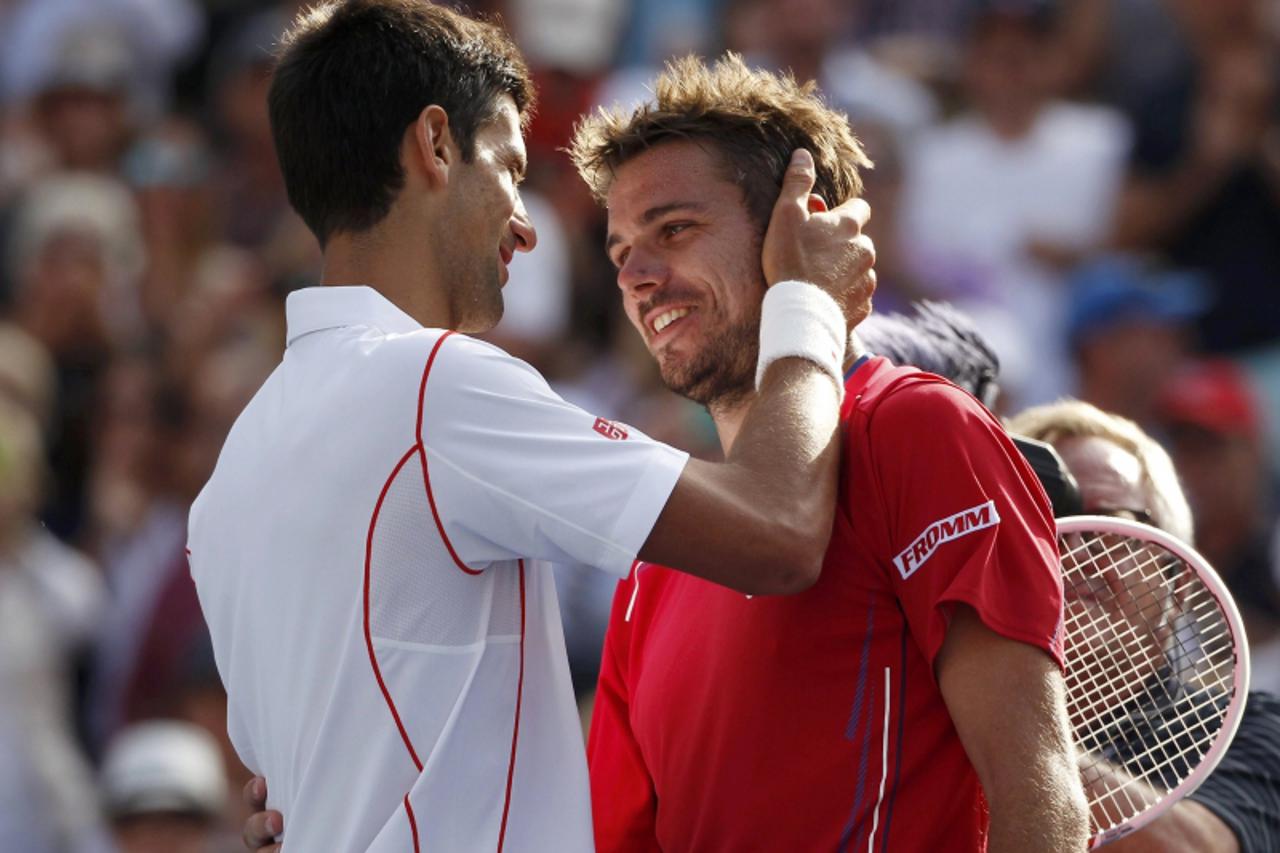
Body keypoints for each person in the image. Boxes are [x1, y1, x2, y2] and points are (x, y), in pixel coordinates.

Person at [188, 3, 875, 852]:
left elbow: (277, 809)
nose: (524, 222)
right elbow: (778, 532)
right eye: (511, 168)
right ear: (435, 145)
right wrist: (805, 303)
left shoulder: (229, 477)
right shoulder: (429, 383)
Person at [565, 55, 1085, 850]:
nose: (636, 276)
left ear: (804, 231)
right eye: (620, 251)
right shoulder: (663, 546)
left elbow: (1041, 802)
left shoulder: (917, 428)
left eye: (674, 229)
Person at [1008, 399, 1280, 853]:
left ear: (1179, 589)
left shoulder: (1248, 731)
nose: (1075, 544)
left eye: (1111, 522)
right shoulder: (912, 717)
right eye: (1044, 518)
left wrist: (998, 722)